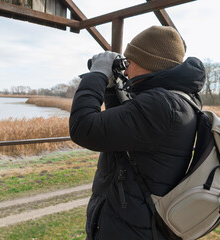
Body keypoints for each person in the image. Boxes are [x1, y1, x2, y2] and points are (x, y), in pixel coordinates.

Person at [69, 25, 206, 240]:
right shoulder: (177, 100)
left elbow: (83, 128)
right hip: (137, 222)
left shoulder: (161, 105)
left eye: (129, 62)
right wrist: (112, 89)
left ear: (147, 64)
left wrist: (97, 74)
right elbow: (121, 135)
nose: (125, 70)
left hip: (132, 229)